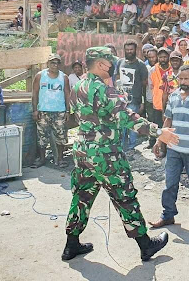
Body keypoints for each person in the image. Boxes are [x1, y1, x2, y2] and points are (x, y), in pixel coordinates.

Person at [62, 46, 178, 262]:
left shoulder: (78, 86)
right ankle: (145, 245)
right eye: (109, 62)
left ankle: (71, 245)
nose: (113, 66)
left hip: (83, 153)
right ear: (100, 64)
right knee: (125, 198)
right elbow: (127, 118)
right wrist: (159, 132)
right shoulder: (105, 90)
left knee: (81, 198)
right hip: (106, 155)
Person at [151, 65, 189, 229]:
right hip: (173, 149)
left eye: (186, 78)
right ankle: (168, 215)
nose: (183, 82)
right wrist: (160, 140)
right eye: (180, 78)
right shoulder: (173, 96)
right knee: (170, 183)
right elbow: (168, 120)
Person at [31, 54, 71, 168]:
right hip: (43, 111)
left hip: (59, 112)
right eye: (52, 62)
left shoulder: (64, 77)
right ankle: (42, 159)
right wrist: (35, 110)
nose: (55, 65)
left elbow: (67, 94)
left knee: (61, 136)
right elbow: (35, 93)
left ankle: (60, 159)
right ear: (48, 63)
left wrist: (68, 111)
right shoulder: (40, 76)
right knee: (42, 136)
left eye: (57, 63)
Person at [114, 40, 148, 151]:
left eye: (131, 49)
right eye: (127, 49)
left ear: (135, 50)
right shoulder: (120, 62)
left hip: (135, 100)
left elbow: (144, 84)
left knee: (133, 124)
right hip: (121, 100)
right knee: (122, 125)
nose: (129, 51)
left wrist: (143, 102)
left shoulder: (141, 65)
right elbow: (117, 78)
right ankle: (122, 148)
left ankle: (132, 147)